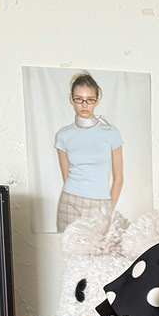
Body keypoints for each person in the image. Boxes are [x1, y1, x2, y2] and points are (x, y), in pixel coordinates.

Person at [54, 72, 123, 232]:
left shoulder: (111, 133)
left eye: (90, 100)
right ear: (71, 99)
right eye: (79, 99)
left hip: (101, 204)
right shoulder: (63, 134)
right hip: (70, 202)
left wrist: (108, 210)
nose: (84, 105)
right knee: (67, 247)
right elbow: (66, 176)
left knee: (99, 247)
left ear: (97, 101)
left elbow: (119, 178)